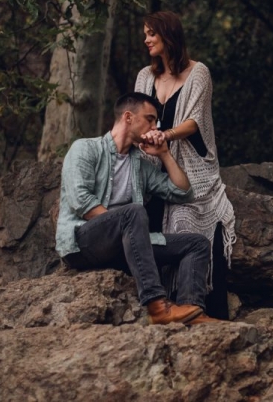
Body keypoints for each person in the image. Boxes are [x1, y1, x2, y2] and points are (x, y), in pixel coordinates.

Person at [55, 92, 219, 325]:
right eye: (150, 119)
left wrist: (164, 154)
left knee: (196, 243)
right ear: (129, 117)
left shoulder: (139, 165)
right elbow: (83, 202)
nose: (155, 127)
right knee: (133, 212)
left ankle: (191, 310)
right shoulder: (85, 149)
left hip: (126, 245)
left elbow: (183, 193)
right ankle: (157, 306)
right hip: (83, 242)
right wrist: (125, 228)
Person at [135, 11, 236, 320]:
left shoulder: (198, 73)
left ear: (168, 35)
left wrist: (165, 135)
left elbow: (193, 122)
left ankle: (200, 308)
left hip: (191, 166)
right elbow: (137, 117)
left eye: (151, 33)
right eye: (145, 34)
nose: (146, 39)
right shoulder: (144, 76)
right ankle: (162, 308)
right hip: (152, 166)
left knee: (186, 220)